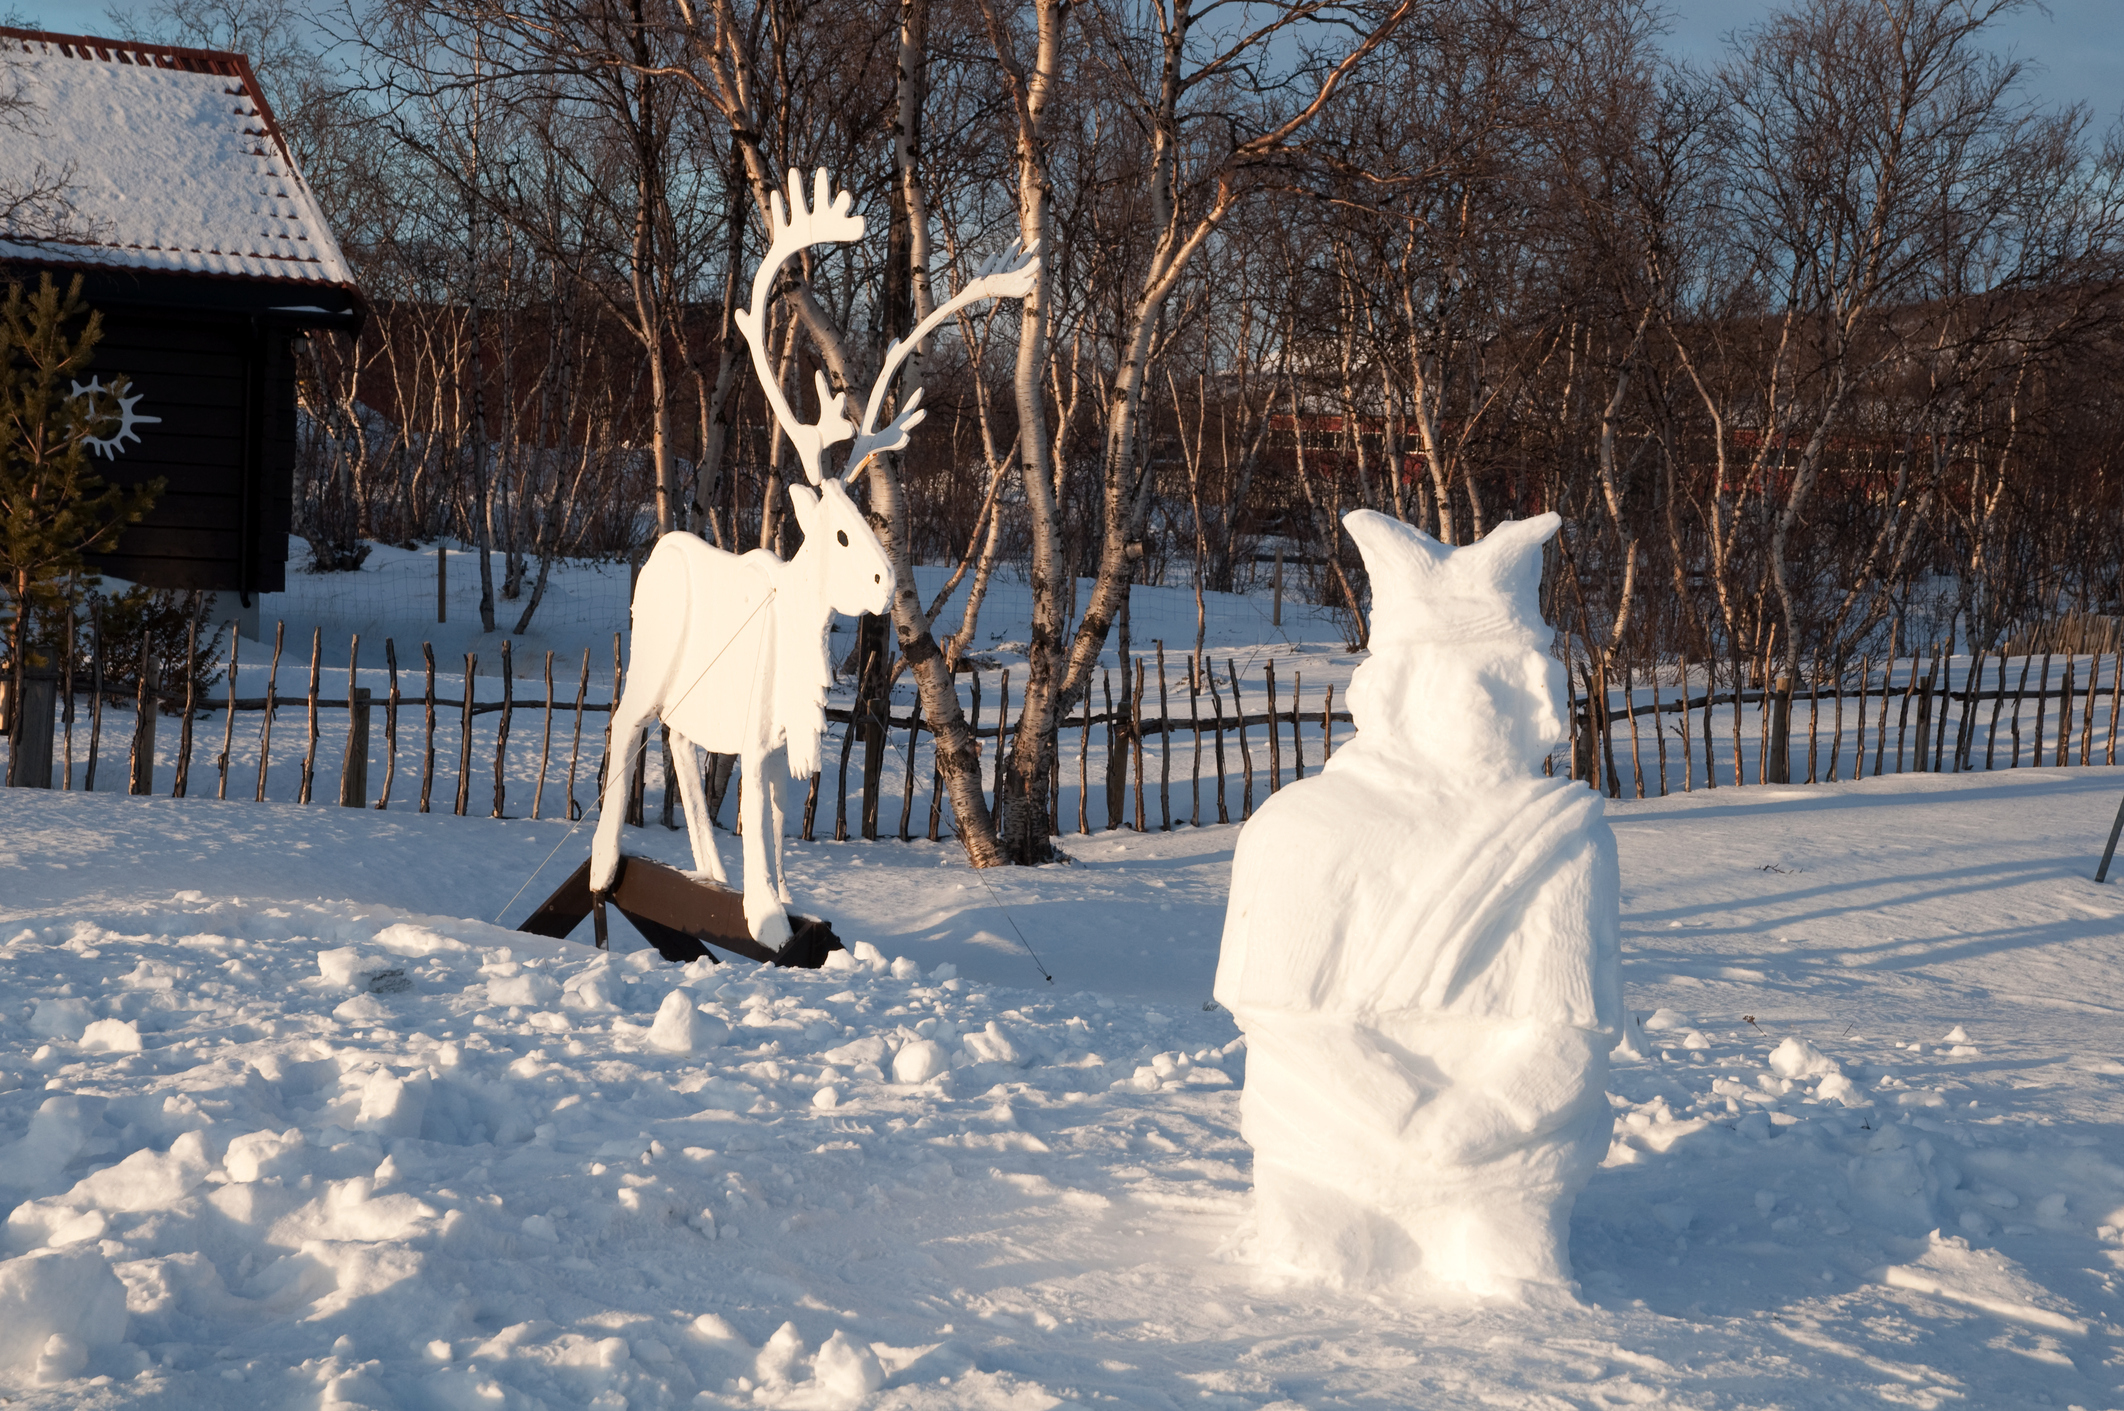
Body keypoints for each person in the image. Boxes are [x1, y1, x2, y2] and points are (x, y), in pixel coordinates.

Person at [1214, 509, 1625, 1299]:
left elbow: (1567, 1035)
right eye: (1485, 678)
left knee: (1515, 1275)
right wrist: (1409, 1119)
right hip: (1327, 1140)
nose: (1528, 709)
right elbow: (1287, 1026)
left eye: (1524, 679)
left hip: (1507, 1158)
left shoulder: (1566, 840)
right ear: (1401, 688)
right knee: (1317, 1264)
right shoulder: (1303, 830)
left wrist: (1488, 1119)